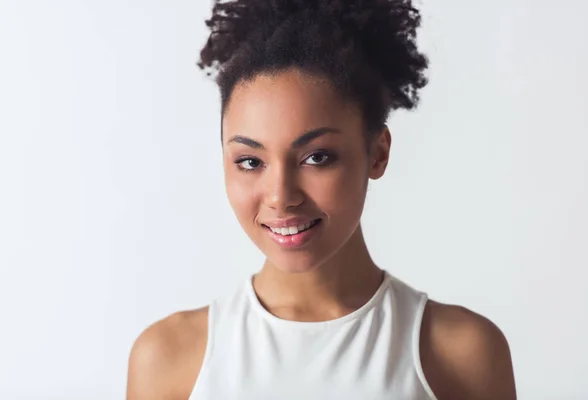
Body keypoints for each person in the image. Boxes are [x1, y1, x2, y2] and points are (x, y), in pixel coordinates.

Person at [126, 1, 517, 399]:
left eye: (317, 157)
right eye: (250, 161)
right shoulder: (168, 359)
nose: (281, 198)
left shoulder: (460, 354)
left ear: (378, 152)